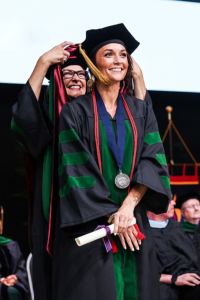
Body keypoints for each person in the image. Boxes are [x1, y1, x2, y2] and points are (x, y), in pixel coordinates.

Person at [11, 40, 147, 300]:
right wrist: (43, 63)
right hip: (63, 204)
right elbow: (24, 121)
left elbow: (138, 126)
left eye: (80, 73)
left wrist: (137, 76)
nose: (75, 78)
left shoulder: (102, 110)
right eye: (67, 74)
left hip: (107, 204)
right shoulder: (51, 108)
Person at [53, 23, 171, 300]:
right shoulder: (75, 112)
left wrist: (128, 209)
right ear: (93, 63)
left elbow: (152, 160)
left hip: (133, 221)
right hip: (93, 225)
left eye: (123, 54)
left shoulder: (141, 110)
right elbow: (76, 170)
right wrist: (114, 218)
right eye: (108, 54)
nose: (118, 60)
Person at [147, 199, 200, 300]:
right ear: (153, 203)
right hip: (161, 285)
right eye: (169, 199)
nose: (174, 203)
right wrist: (172, 279)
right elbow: (137, 270)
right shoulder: (139, 231)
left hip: (189, 282)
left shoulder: (176, 226)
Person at [0, 207, 29, 300]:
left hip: (11, 287)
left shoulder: (10, 245)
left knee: (13, 291)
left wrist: (15, 278)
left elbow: (21, 271)